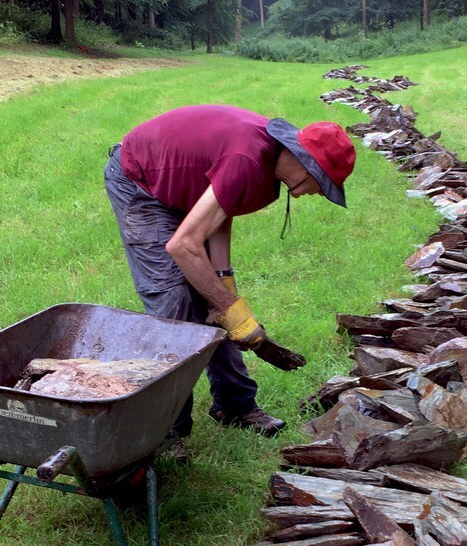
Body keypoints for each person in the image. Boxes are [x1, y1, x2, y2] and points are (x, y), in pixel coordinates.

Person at [104, 104, 355, 447]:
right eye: (321, 183)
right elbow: (183, 246)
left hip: (179, 186)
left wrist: (224, 291)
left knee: (212, 297)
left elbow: (220, 216)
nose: (318, 193)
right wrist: (230, 308)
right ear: (303, 161)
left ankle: (235, 405)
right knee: (174, 301)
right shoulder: (250, 160)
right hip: (140, 179)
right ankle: (166, 430)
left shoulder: (266, 173)